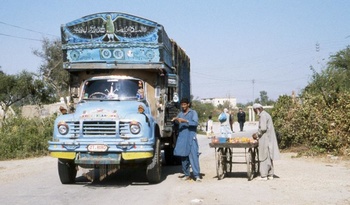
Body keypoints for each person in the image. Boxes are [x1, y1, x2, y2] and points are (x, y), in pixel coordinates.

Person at [173, 98, 201, 182]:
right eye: (182, 105)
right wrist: (175, 120)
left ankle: (196, 175)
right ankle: (187, 174)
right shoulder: (180, 114)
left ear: (188, 104)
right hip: (182, 138)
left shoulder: (193, 113)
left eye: (185, 104)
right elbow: (177, 124)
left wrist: (185, 121)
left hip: (191, 137)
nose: (183, 106)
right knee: (183, 157)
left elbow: (195, 123)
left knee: (193, 156)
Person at [252, 103, 280, 181]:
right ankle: (270, 174)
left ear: (257, 109)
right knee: (268, 156)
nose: (255, 112)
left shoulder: (263, 116)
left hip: (265, 138)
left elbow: (263, 128)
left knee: (263, 156)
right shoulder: (266, 114)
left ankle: (264, 175)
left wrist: (256, 135)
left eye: (255, 111)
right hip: (268, 138)